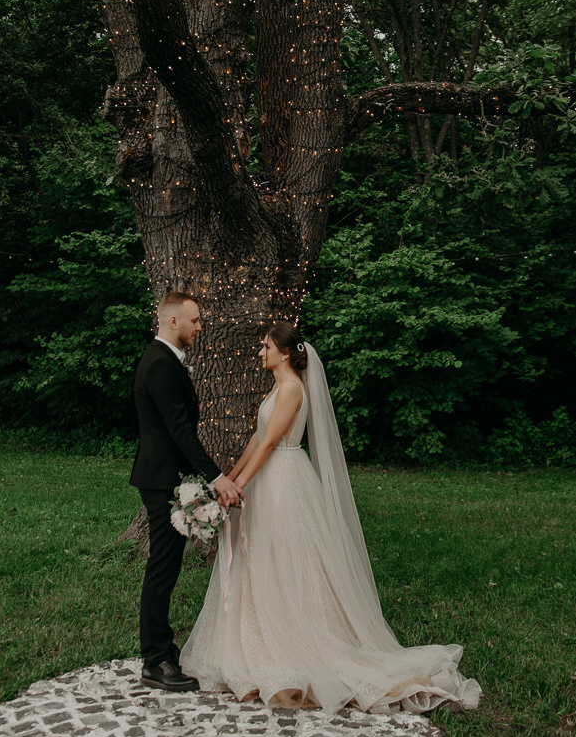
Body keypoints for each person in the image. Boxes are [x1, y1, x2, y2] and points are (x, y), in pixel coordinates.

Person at [180, 322, 481, 714]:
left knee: (288, 557)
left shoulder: (292, 389)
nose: (260, 353)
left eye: (265, 347)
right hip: (266, 479)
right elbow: (256, 438)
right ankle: (260, 635)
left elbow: (272, 443)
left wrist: (241, 485)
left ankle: (297, 639)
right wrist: (229, 481)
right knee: (260, 558)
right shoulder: (275, 387)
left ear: (284, 352)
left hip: (285, 479)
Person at [130, 292, 242, 692]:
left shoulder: (163, 361)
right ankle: (155, 660)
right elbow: (179, 430)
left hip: (167, 476)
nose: (199, 327)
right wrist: (215, 478)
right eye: (194, 321)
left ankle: (162, 650)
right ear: (173, 321)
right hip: (161, 478)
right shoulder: (160, 364)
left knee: (168, 565)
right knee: (162, 567)